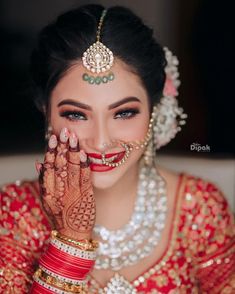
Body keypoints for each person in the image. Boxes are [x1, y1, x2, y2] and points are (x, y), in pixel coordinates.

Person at [0, 4, 234, 293]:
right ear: (46, 111)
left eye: (124, 113)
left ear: (153, 109)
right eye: (76, 114)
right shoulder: (13, 215)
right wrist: (71, 242)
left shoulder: (199, 210)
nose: (100, 142)